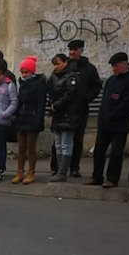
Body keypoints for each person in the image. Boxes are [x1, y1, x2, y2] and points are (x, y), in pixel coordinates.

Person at [87, 52, 129, 188]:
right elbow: (105, 101)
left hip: (119, 124)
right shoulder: (111, 80)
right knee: (99, 151)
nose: (114, 69)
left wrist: (114, 115)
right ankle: (97, 176)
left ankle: (112, 179)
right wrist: (103, 117)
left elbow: (128, 103)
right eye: (112, 66)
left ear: (124, 64)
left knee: (116, 153)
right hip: (105, 122)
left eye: (116, 66)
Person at [52, 39, 102, 177]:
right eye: (70, 50)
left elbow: (97, 85)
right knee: (59, 141)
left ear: (81, 50)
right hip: (62, 108)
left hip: (79, 109)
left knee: (77, 139)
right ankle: (56, 168)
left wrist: (87, 97)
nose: (72, 52)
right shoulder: (64, 65)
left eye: (75, 49)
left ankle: (74, 168)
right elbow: (55, 82)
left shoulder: (88, 68)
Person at [47, 53, 84, 182]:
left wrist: (55, 105)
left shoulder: (72, 77)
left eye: (58, 64)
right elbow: (50, 90)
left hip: (68, 114)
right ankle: (59, 170)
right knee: (58, 144)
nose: (55, 67)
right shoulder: (54, 76)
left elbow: (70, 94)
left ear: (65, 62)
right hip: (57, 115)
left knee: (65, 144)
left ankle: (62, 172)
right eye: (54, 65)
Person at [12, 56, 47, 184]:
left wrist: (38, 120)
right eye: (22, 72)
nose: (24, 75)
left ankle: (31, 172)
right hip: (21, 118)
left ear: (32, 72)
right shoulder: (22, 84)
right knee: (21, 147)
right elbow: (19, 102)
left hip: (32, 119)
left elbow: (40, 104)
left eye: (26, 72)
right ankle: (19, 171)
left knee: (30, 147)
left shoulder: (39, 84)